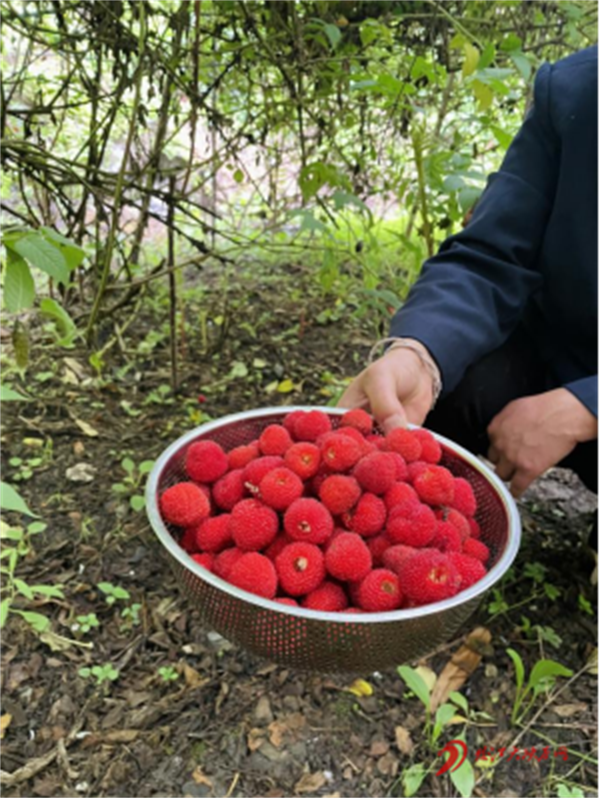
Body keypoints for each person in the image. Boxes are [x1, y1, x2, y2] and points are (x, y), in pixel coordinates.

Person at [339, 46, 599, 555]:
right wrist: (418, 352)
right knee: (454, 378)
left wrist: (586, 407)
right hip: (557, 345)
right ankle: (424, 538)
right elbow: (489, 254)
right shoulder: (575, 93)